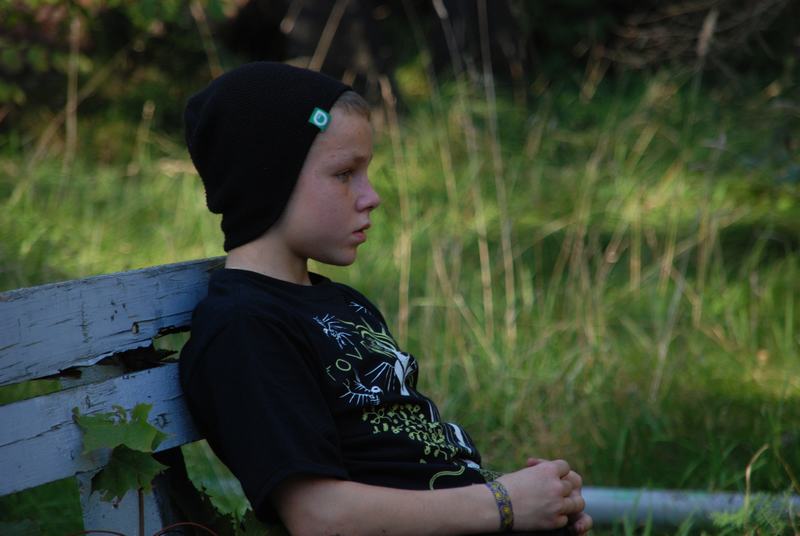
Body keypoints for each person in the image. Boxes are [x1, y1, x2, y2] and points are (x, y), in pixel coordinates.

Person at [179, 62, 592, 536]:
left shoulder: (341, 303)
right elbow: (319, 517)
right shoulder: (245, 327)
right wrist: (503, 504)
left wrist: (541, 504)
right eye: (344, 174)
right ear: (267, 179)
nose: (371, 196)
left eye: (366, 172)